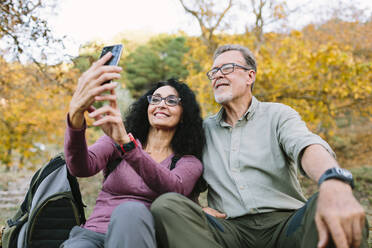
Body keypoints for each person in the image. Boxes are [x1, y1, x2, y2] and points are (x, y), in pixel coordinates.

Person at [151, 44, 369, 248]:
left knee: (332, 204)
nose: (217, 75)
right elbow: (184, 178)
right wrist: (196, 209)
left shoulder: (278, 114)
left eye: (227, 68)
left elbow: (306, 145)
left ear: (250, 76)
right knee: (167, 205)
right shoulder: (203, 130)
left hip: (287, 226)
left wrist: (332, 178)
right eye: (213, 71)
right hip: (230, 229)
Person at [60, 52, 205, 248]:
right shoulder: (117, 141)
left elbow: (173, 188)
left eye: (171, 101)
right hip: (93, 235)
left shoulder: (188, 162)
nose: (161, 104)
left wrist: (128, 146)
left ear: (184, 113)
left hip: (139, 238)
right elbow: (81, 168)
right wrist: (76, 117)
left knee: (130, 211)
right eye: (155, 99)